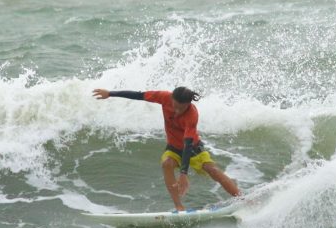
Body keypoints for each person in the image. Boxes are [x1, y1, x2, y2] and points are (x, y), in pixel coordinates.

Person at [92, 86, 241, 211]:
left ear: (188, 104)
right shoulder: (164, 97)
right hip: (173, 148)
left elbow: (188, 144)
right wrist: (110, 93)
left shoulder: (192, 114)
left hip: (193, 148)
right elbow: (139, 95)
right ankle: (179, 207)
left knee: (213, 170)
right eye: (175, 106)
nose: (176, 111)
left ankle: (241, 199)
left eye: (181, 108)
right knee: (167, 164)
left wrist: (184, 174)